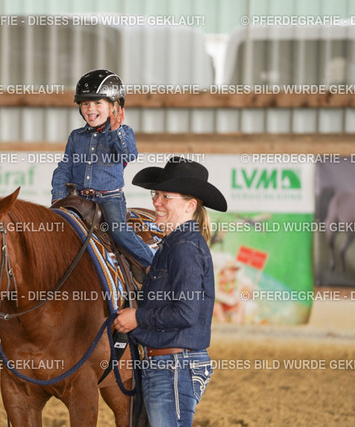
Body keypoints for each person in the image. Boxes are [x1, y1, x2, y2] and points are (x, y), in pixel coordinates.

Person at [113, 156, 228, 426]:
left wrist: (137, 317)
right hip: (169, 364)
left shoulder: (184, 247)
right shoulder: (175, 245)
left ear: (190, 205)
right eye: (156, 195)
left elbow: (185, 313)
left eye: (166, 197)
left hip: (174, 367)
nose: (156, 202)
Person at [51, 69, 154, 269]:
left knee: (118, 230)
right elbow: (64, 167)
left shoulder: (124, 133)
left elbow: (128, 154)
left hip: (110, 198)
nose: (90, 109)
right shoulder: (76, 137)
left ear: (114, 106)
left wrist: (116, 131)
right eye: (85, 103)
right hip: (78, 197)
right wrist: (58, 196)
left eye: (98, 103)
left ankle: (152, 264)